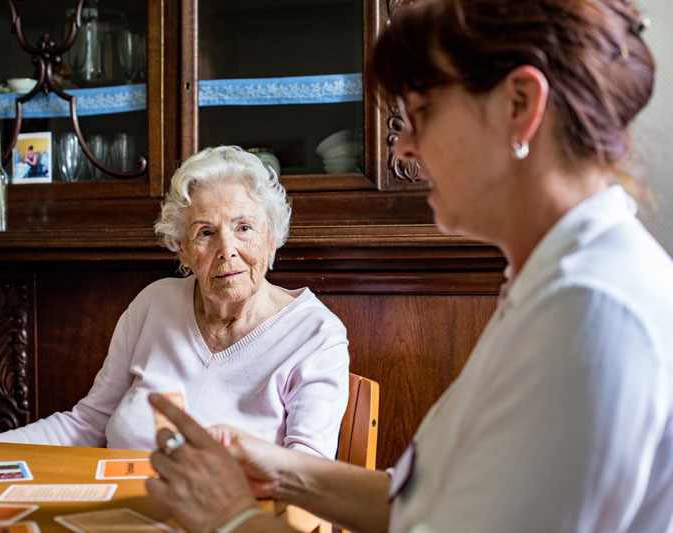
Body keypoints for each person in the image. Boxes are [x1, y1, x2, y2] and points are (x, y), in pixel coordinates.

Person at [144, 1, 673, 532]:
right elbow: (439, 505)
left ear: (520, 104)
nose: (404, 143)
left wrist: (229, 518)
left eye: (423, 113)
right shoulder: (551, 284)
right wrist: (283, 473)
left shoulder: (595, 309)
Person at [0, 146, 350, 457]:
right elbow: (89, 423)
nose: (227, 250)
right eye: (205, 232)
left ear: (272, 240)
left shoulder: (315, 335)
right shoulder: (154, 304)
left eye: (244, 228)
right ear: (183, 252)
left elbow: (307, 473)